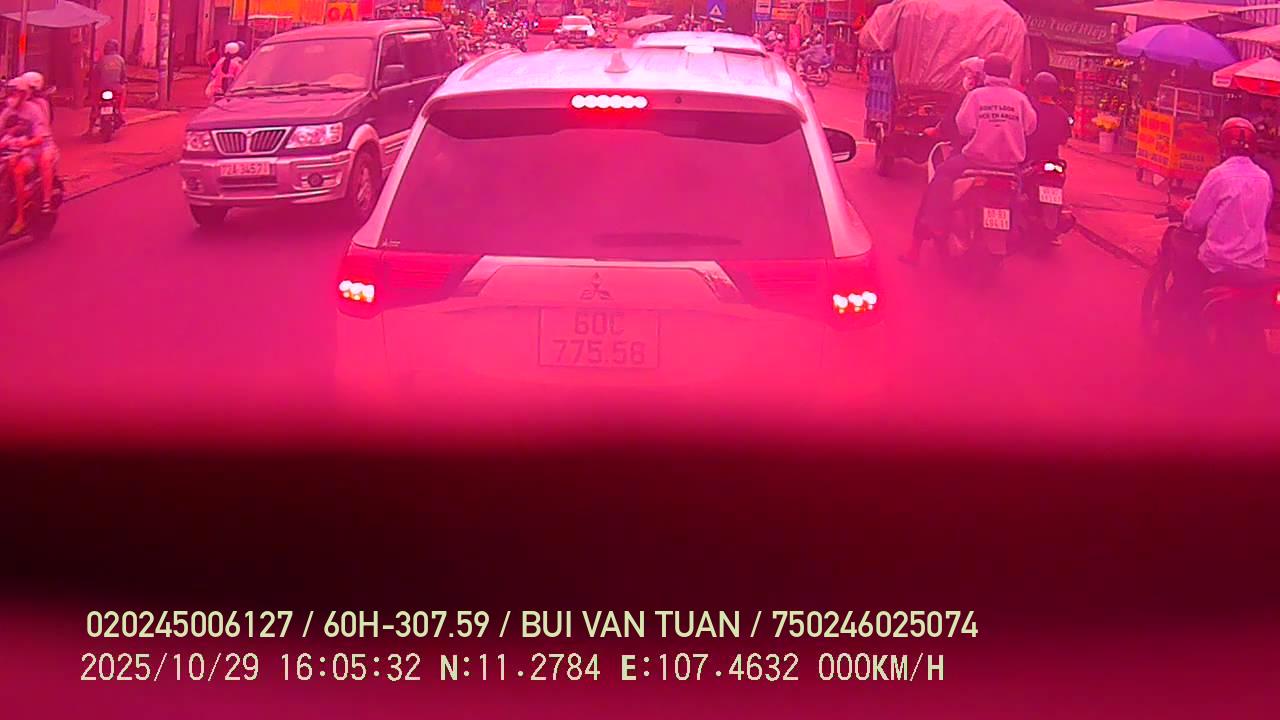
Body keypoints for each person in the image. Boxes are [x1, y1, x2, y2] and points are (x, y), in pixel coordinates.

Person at [905, 53, 1037, 264]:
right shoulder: (1020, 99)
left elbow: (964, 127)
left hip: (975, 161)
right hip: (1009, 166)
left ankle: (935, 223)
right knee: (1018, 194)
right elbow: (1030, 127)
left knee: (942, 175)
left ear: (986, 73)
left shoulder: (976, 96)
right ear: (1008, 74)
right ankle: (1015, 230)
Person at [1168, 117, 1273, 312]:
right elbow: (1261, 214)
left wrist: (1187, 210)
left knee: (1182, 280)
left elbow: (1195, 221)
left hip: (1218, 262)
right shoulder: (1263, 178)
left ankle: (1178, 323)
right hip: (1254, 263)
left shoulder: (1219, 175)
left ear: (1223, 144)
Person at [1, 74, 57, 234]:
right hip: (16, 149)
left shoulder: (34, 110)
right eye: (10, 93)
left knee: (18, 172)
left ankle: (20, 218)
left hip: (35, 150)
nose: (11, 97)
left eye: (15, 93)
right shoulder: (8, 111)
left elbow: (40, 137)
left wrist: (24, 143)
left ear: (23, 94)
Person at [1025, 71, 1072, 165]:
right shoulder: (1062, 114)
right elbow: (1064, 140)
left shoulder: (1030, 110)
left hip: (1030, 159)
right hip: (1052, 159)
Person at [88, 38, 128, 134]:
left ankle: (90, 127)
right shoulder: (120, 60)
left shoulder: (101, 60)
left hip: (101, 88)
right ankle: (120, 111)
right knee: (124, 90)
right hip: (116, 88)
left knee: (95, 103)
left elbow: (95, 76)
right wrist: (123, 82)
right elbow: (123, 76)